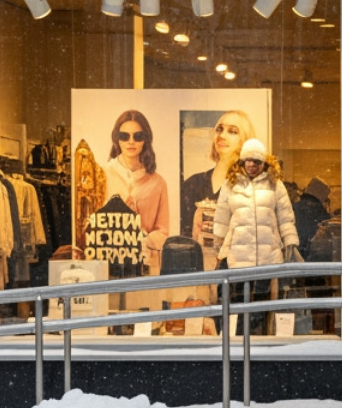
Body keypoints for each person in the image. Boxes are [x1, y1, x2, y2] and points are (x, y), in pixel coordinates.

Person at [213, 138, 300, 334]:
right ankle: (237, 341)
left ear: (264, 163)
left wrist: (290, 242)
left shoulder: (275, 185)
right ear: (242, 161)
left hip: (267, 255)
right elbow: (221, 218)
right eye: (248, 160)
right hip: (237, 255)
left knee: (262, 304)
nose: (251, 165)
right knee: (237, 304)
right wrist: (217, 247)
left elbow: (285, 217)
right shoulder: (230, 184)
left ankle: (260, 341)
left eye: (256, 161)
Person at [181, 110, 255, 262]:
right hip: (198, 269)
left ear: (245, 141)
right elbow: (182, 233)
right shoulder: (193, 184)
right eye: (219, 129)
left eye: (232, 131)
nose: (222, 135)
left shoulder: (251, 185)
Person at [102, 110, 169, 274]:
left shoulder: (158, 182)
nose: (131, 141)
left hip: (143, 264)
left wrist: (143, 241)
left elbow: (163, 231)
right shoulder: (102, 175)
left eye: (137, 136)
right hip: (107, 261)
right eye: (124, 136)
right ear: (116, 139)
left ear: (145, 139)